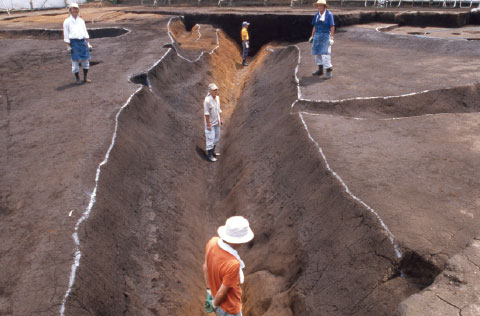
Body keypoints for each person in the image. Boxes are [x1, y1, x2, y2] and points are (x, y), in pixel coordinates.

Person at [203, 216, 254, 316]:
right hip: (229, 309)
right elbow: (222, 293)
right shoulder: (233, 264)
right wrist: (213, 305)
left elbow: (205, 267)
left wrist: (209, 296)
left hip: (214, 297)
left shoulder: (212, 242)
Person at [63, 3, 92, 84]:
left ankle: (85, 78)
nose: (75, 10)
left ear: (78, 10)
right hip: (74, 43)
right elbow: (66, 35)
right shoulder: (67, 21)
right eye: (73, 9)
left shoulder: (81, 21)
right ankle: (77, 79)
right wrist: (68, 46)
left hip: (83, 42)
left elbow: (85, 32)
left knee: (86, 61)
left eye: (76, 9)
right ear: (70, 10)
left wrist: (88, 43)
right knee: (75, 62)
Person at [309, 0, 335, 79]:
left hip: (325, 35)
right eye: (318, 5)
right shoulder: (317, 15)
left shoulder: (329, 14)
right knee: (317, 53)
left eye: (321, 5)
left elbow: (332, 26)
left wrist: (332, 37)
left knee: (325, 54)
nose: (319, 7)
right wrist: (312, 36)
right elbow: (315, 26)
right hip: (317, 35)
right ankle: (320, 70)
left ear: (324, 6)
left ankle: (328, 71)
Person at [204, 83, 223, 162]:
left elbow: (219, 109)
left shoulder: (217, 98)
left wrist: (221, 119)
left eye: (216, 90)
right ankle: (210, 155)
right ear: (210, 91)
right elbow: (206, 113)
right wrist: (208, 124)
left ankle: (213, 151)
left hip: (217, 122)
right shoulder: (207, 101)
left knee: (216, 138)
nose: (216, 91)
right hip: (210, 123)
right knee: (210, 139)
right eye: (214, 90)